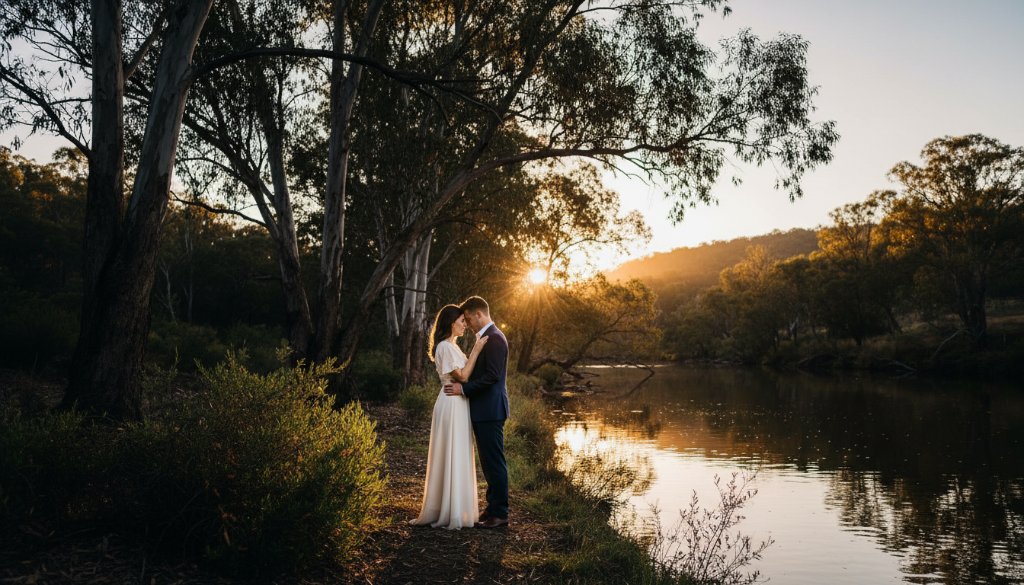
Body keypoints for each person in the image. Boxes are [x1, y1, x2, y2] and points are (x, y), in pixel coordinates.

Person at [410, 304, 489, 530]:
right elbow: (462, 376)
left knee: (459, 452)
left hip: (459, 404)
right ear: (450, 322)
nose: (465, 324)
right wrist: (476, 350)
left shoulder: (453, 347)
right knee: (451, 452)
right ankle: (447, 509)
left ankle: (457, 507)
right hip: (451, 404)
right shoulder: (444, 347)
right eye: (462, 321)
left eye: (465, 321)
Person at [443, 296, 510, 529]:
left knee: (494, 463)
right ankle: (492, 508)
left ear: (479, 314)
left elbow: (491, 377)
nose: (468, 324)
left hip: (491, 410)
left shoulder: (495, 339)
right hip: (485, 410)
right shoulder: (487, 338)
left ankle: (500, 514)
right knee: (489, 463)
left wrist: (464, 389)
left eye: (469, 319)